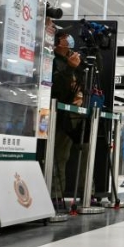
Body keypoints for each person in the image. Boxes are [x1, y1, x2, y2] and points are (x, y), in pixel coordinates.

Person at [49, 30, 83, 198]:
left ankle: (58, 195)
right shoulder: (53, 61)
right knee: (56, 157)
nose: (68, 40)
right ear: (57, 42)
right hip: (57, 116)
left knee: (63, 157)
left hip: (70, 117)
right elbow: (57, 90)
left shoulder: (69, 61)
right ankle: (55, 196)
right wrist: (69, 68)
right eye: (64, 38)